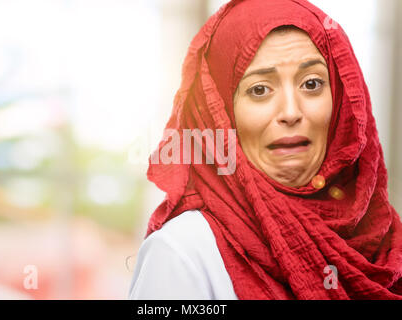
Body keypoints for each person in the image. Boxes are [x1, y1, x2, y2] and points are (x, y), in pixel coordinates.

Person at [128, 0, 402, 300]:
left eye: (311, 84)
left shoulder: (385, 245)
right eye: (259, 90)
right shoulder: (183, 254)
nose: (290, 111)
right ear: (220, 115)